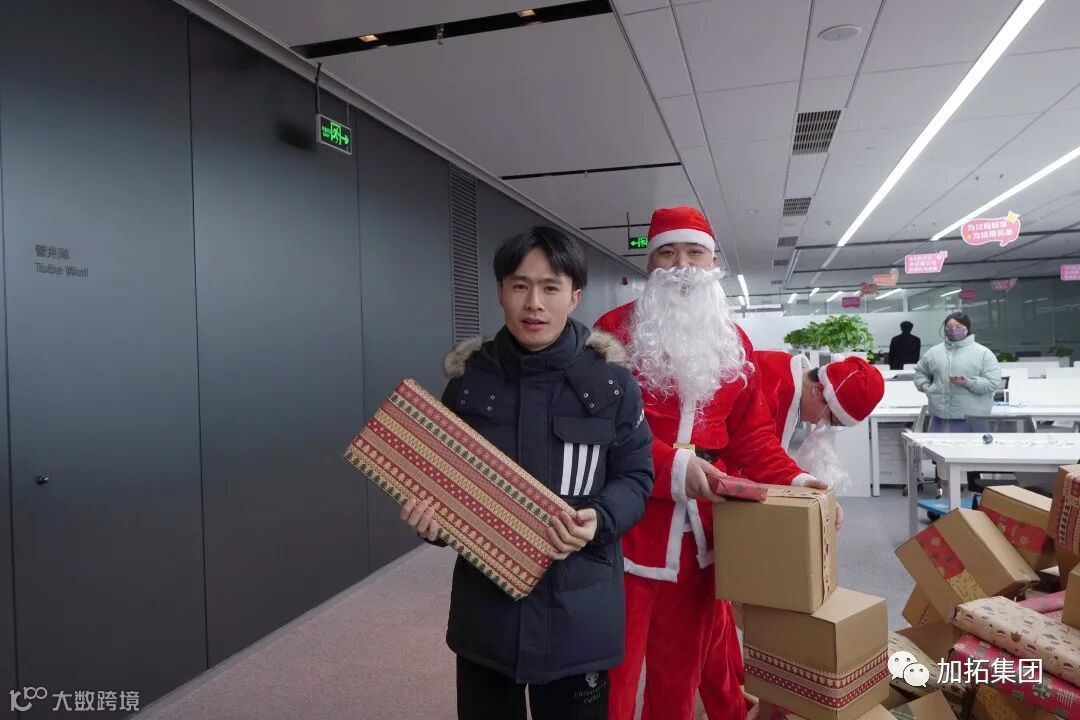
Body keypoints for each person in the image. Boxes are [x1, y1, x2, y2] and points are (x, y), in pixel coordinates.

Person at [402, 226, 654, 720]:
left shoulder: (612, 384)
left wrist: (600, 518)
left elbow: (636, 478)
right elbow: (442, 485)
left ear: (574, 296)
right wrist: (432, 523)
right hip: (487, 610)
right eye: (520, 286)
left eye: (550, 287)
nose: (534, 303)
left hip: (579, 609)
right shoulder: (468, 383)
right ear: (500, 292)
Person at [593, 206, 831, 720]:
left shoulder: (733, 342)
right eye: (667, 253)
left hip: (700, 539)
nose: (682, 266)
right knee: (613, 675)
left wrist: (797, 478)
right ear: (650, 264)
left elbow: (751, 436)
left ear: (713, 262)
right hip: (629, 530)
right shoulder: (612, 332)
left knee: (679, 675)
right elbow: (604, 429)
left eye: (694, 253)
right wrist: (673, 468)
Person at [697, 352, 883, 719]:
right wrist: (797, 484)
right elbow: (753, 448)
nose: (822, 425)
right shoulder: (768, 379)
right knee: (708, 613)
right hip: (702, 495)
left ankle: (734, 695)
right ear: (818, 391)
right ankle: (730, 699)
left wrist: (804, 485)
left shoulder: (786, 386)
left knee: (717, 611)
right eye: (830, 417)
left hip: (718, 498)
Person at [913, 312, 1001, 432]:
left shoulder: (984, 353)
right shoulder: (933, 353)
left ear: (967, 328)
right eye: (949, 327)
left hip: (973, 418)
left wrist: (968, 382)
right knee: (936, 445)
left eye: (958, 327)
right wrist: (925, 386)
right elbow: (920, 372)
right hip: (939, 418)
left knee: (973, 445)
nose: (953, 330)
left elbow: (992, 383)